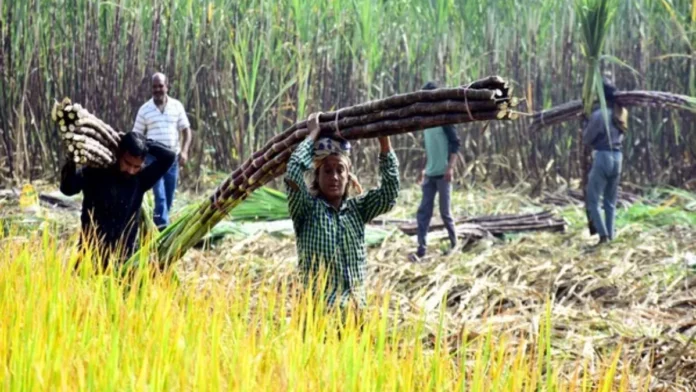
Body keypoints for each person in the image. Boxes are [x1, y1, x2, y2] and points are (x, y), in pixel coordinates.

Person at [284, 112, 400, 312]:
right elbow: (293, 171)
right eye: (327, 171)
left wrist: (384, 143)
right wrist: (312, 136)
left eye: (340, 170)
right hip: (318, 315)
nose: (335, 177)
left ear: (348, 176)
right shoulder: (306, 209)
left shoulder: (358, 209)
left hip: (355, 314)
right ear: (316, 176)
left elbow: (389, 195)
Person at [60, 132, 176, 266]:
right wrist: (71, 161)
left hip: (124, 258)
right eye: (127, 163)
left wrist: (144, 143)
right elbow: (68, 189)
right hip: (90, 254)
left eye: (136, 166)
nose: (131, 170)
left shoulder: (141, 180)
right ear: (119, 154)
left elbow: (169, 156)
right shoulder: (96, 172)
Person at [132, 72, 193, 230]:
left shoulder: (176, 106)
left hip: (173, 158)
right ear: (151, 88)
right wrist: (138, 159)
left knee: (169, 196)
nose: (158, 89)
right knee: (160, 197)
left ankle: (158, 223)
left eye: (161, 86)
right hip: (153, 160)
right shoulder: (145, 110)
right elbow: (136, 135)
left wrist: (185, 152)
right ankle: (162, 229)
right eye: (154, 87)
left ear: (167, 87)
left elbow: (186, 131)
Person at [409, 81, 461, 262]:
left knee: (445, 212)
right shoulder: (426, 122)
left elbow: (456, 144)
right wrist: (423, 169)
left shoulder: (445, 120)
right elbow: (429, 148)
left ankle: (455, 245)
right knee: (423, 212)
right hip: (430, 174)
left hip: (443, 174)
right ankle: (421, 248)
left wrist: (450, 168)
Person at [583, 79, 626, 246]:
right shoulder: (621, 113)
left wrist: (586, 122)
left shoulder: (599, 115)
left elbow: (587, 139)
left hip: (603, 156)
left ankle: (602, 237)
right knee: (610, 201)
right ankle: (611, 235)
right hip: (618, 157)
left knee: (592, 200)